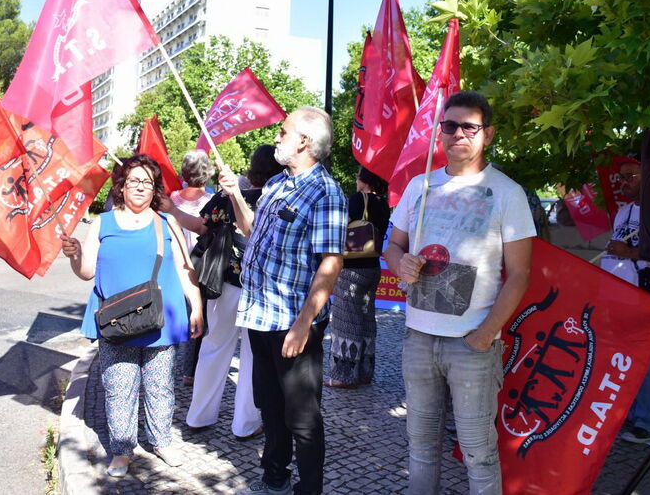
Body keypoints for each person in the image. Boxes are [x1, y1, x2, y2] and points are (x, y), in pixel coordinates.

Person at [384, 91, 535, 495]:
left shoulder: (507, 193)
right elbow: (391, 245)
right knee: (420, 446)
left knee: (478, 452)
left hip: (472, 344)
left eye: (469, 126)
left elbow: (520, 274)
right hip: (418, 336)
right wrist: (400, 261)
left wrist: (485, 335)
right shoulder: (421, 186)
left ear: (488, 134)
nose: (457, 134)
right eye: (449, 125)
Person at [220, 107, 347, 495]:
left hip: (293, 324)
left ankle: (309, 490)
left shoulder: (326, 192)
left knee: (302, 417)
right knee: (270, 407)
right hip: (260, 316)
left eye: (283, 131)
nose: (277, 136)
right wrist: (234, 196)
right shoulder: (276, 184)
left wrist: (304, 323)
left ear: (303, 141)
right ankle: (274, 477)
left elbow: (331, 261)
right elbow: (252, 229)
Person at [60, 154, 204, 477]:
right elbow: (85, 272)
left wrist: (196, 305)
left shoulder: (167, 223)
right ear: (121, 187)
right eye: (134, 181)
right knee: (119, 386)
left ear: (155, 190)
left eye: (147, 183)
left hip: (159, 320)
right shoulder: (103, 223)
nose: (140, 187)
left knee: (160, 386)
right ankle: (122, 450)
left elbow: (185, 268)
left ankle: (161, 440)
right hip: (116, 321)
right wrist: (75, 255)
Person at [185, 144, 282, 439]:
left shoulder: (226, 197)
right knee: (253, 358)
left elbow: (202, 226)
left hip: (223, 284)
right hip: (259, 288)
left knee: (213, 349)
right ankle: (245, 424)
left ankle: (198, 416)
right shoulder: (277, 200)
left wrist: (172, 210)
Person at [600, 156, 650, 444]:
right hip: (619, 293)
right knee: (622, 357)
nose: (624, 182)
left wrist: (627, 253)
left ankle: (649, 423)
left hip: (646, 289)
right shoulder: (623, 212)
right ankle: (629, 414)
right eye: (622, 177)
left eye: (631, 176)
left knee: (647, 356)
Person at [325, 166, 390, 389]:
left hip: (352, 267)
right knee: (366, 320)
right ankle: (364, 372)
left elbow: (340, 225)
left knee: (346, 321)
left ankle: (343, 375)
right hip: (373, 267)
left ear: (363, 179)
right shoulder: (383, 203)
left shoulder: (357, 199)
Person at [162, 150, 215, 385]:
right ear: (207, 174)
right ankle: (190, 371)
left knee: (173, 313)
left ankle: (167, 363)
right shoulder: (212, 202)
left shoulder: (171, 199)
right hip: (201, 266)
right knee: (198, 314)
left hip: (173, 264)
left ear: (184, 173)